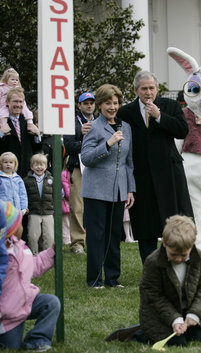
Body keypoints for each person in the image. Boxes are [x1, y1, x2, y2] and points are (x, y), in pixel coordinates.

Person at [117, 71, 193, 264]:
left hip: (169, 173)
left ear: (157, 89)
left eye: (151, 88)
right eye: (144, 89)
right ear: (136, 90)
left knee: (174, 222)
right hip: (142, 175)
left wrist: (159, 117)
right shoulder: (126, 112)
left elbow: (182, 130)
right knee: (145, 225)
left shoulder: (170, 106)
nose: (148, 92)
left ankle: (176, 261)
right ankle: (150, 266)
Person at [106, 215, 201, 346]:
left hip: (186, 312)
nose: (178, 259)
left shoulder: (198, 257)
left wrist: (194, 314)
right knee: (178, 343)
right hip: (159, 315)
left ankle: (184, 323)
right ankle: (140, 332)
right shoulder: (153, 262)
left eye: (183, 255)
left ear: (192, 246)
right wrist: (174, 319)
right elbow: (153, 295)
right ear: (164, 243)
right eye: (173, 254)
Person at [81, 84, 135, 289]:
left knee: (114, 235)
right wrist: (108, 144)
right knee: (96, 236)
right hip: (95, 190)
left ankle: (113, 278)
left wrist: (130, 189)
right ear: (100, 105)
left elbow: (129, 162)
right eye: (107, 103)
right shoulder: (93, 126)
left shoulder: (126, 127)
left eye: (115, 103)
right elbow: (86, 158)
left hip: (120, 190)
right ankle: (94, 280)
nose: (112, 107)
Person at [0, 202, 60, 352]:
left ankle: (37, 340)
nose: (23, 227)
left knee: (51, 303)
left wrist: (51, 253)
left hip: (26, 302)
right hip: (8, 317)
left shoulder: (20, 247)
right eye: (19, 224)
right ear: (12, 229)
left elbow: (34, 266)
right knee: (11, 347)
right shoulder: (3, 257)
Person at [63, 92, 96, 255]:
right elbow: (69, 146)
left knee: (97, 205)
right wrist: (83, 137)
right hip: (78, 168)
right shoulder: (73, 123)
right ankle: (77, 243)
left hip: (98, 168)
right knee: (77, 206)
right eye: (86, 103)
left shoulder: (101, 120)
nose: (89, 105)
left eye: (91, 102)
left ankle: (96, 240)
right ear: (79, 106)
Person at [0, 88, 41, 177]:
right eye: (15, 101)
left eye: (20, 102)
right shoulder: (2, 121)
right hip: (5, 173)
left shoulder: (28, 121)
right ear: (7, 102)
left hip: (26, 172)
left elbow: (36, 148)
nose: (18, 105)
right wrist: (1, 133)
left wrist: (37, 136)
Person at [23, 154, 54, 254]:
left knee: (49, 236)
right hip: (34, 212)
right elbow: (24, 195)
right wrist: (26, 207)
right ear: (32, 167)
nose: (39, 167)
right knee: (32, 235)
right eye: (36, 165)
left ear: (46, 166)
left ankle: (47, 256)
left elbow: (56, 194)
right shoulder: (27, 181)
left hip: (48, 211)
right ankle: (34, 255)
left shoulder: (51, 180)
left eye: (41, 165)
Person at [0, 68, 36, 134]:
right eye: (12, 79)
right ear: (6, 79)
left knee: (27, 111)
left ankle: (30, 124)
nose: (15, 81)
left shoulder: (18, 89)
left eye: (16, 80)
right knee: (3, 113)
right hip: (4, 105)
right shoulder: (2, 88)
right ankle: (4, 125)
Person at [61, 160, 71, 245]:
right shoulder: (64, 174)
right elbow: (66, 188)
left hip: (76, 201)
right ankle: (66, 241)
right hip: (66, 203)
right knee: (66, 223)